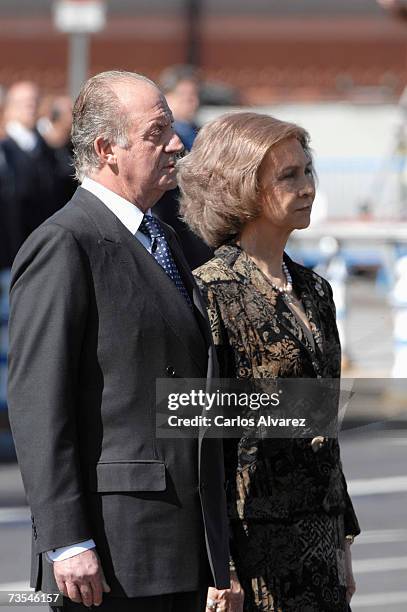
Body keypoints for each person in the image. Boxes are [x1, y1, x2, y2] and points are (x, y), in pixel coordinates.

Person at [8, 70, 230, 611]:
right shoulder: (66, 242)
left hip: (181, 540)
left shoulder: (165, 237)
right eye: (158, 132)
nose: (177, 143)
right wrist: (66, 540)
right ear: (107, 148)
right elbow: (40, 402)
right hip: (112, 554)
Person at [178, 112, 360, 612]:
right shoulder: (210, 292)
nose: (306, 188)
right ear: (242, 189)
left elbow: (327, 426)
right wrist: (223, 568)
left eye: (307, 172)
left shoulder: (315, 289)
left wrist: (343, 538)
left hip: (318, 537)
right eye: (288, 176)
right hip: (251, 547)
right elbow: (202, 442)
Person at [154, 64, 213, 269]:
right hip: (174, 224)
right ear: (167, 97)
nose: (194, 102)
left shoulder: (201, 133)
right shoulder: (162, 138)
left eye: (196, 96)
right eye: (186, 96)